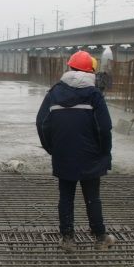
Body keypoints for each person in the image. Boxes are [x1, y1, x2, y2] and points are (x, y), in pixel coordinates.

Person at [36, 50, 115, 251]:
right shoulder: (94, 95)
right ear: (90, 72)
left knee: (66, 197)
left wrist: (52, 149)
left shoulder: (54, 93)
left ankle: (68, 239)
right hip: (91, 156)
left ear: (69, 68)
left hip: (64, 155)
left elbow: (42, 123)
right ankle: (100, 237)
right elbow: (104, 127)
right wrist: (104, 153)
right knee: (92, 197)